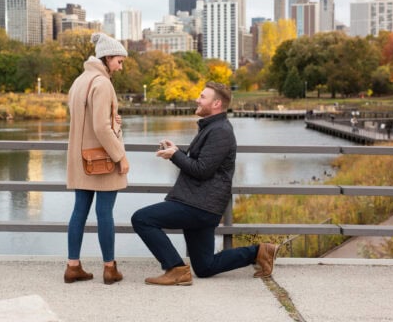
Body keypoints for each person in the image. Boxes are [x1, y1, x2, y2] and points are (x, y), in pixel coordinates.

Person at [131, 82, 279, 286]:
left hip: (198, 205)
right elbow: (202, 163)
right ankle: (259, 252)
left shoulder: (220, 131)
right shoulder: (212, 127)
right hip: (201, 203)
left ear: (216, 103)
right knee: (205, 267)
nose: (197, 100)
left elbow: (202, 170)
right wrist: (178, 152)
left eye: (202, 97)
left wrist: (175, 156)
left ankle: (176, 269)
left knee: (142, 219)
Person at [65, 32, 130, 285]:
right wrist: (120, 156)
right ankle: (109, 268)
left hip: (80, 159)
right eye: (119, 61)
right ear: (107, 57)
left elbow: (88, 120)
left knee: (79, 212)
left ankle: (73, 267)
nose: (120, 67)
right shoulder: (102, 84)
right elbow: (101, 128)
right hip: (102, 160)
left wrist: (114, 119)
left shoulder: (80, 80)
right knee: (105, 213)